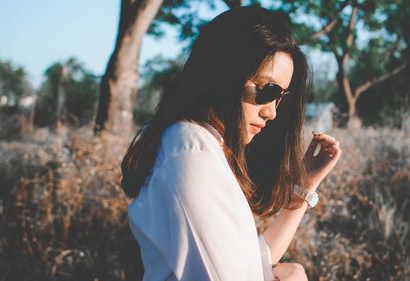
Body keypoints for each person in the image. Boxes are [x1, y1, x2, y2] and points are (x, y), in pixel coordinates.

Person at [121, 5, 341, 281]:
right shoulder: (191, 150)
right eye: (266, 90)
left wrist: (306, 187)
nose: (271, 111)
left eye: (280, 96)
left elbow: (248, 263)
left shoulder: (204, 148)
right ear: (225, 75)